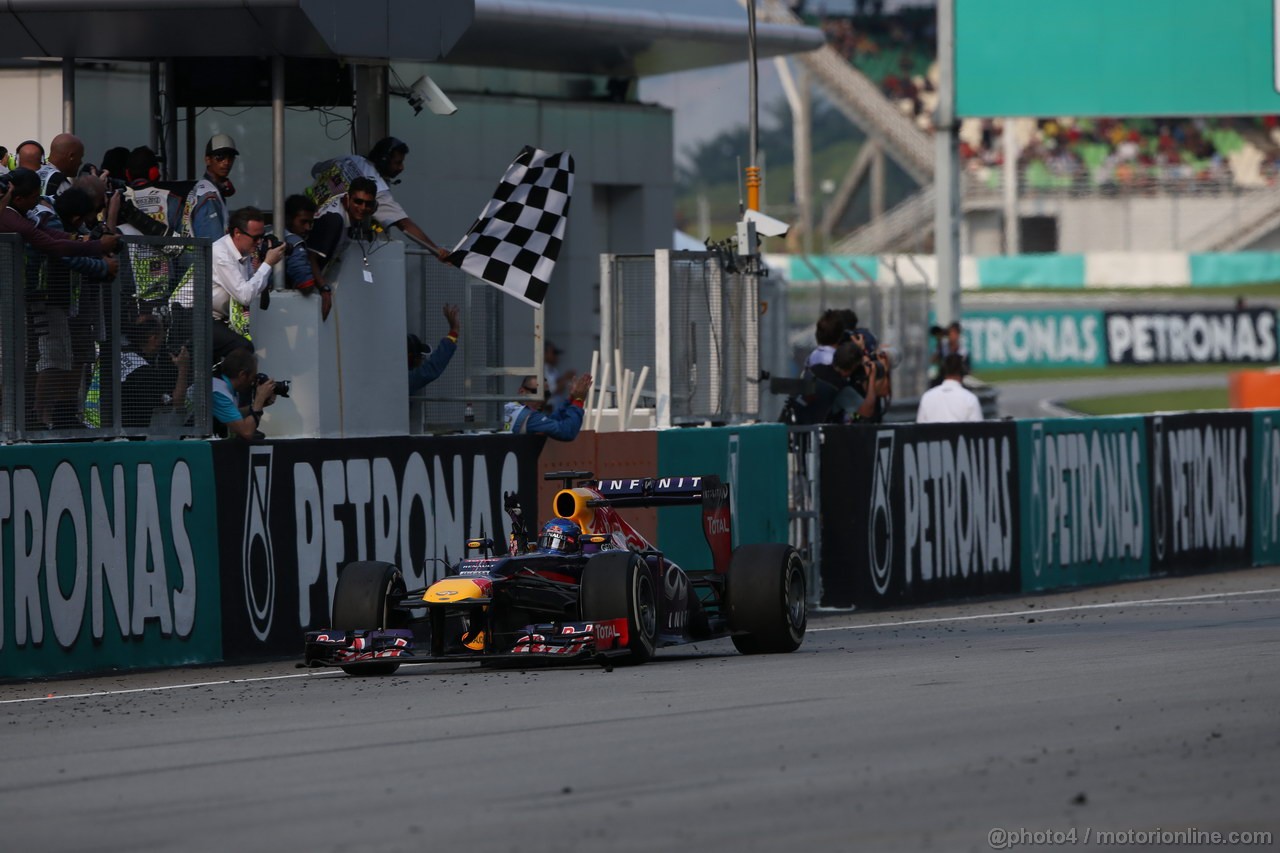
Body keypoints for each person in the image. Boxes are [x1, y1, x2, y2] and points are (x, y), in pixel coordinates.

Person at [309, 136, 449, 259]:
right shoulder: (377, 190)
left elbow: (315, 169)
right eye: (398, 162)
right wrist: (435, 250)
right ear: (384, 160)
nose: (402, 168)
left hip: (307, 222)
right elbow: (405, 225)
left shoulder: (350, 159)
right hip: (328, 237)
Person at [211, 206, 286, 358]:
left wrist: (262, 265)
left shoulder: (244, 252)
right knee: (243, 350)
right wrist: (268, 264)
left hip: (217, 318)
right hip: (192, 316)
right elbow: (245, 295)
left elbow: (252, 286)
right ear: (237, 233)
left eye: (262, 237)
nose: (259, 242)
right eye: (255, 238)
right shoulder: (221, 253)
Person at [1, 168, 118, 258]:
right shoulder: (12, 219)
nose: (38, 200)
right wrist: (98, 246)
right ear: (19, 199)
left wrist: (80, 238)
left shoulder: (18, 212)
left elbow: (49, 233)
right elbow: (53, 245)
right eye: (34, 197)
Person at [119, 313, 189, 429]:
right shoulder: (145, 373)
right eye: (162, 337)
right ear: (154, 338)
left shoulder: (117, 353)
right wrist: (183, 367)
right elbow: (175, 407)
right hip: (132, 435)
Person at [503, 372, 593, 441]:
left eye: (546, 395)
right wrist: (578, 400)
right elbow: (567, 431)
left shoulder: (508, 407)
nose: (542, 399)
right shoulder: (529, 417)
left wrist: (571, 399)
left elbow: (551, 421)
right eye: (537, 393)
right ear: (522, 392)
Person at [212, 348, 277, 440]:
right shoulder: (219, 392)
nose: (253, 382)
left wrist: (259, 404)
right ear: (242, 375)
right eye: (253, 377)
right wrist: (260, 398)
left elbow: (234, 414)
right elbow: (246, 432)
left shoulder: (222, 385)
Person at [183, 134, 238, 241]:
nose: (226, 162)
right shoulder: (209, 196)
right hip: (207, 256)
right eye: (220, 157)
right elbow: (214, 243)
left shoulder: (202, 188)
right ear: (208, 160)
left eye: (230, 157)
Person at [408, 303, 460, 393]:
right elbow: (432, 368)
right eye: (419, 357)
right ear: (410, 358)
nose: (421, 361)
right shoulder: (405, 379)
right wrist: (454, 331)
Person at [917, 353, 982, 423]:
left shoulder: (927, 397)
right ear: (962, 372)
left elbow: (920, 428)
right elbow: (977, 430)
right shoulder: (970, 399)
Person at [36, 133, 86, 197]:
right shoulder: (61, 185)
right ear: (71, 156)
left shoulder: (35, 174)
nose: (81, 162)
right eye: (80, 157)